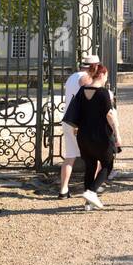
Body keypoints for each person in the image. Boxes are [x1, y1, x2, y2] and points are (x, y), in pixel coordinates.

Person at [64, 63, 119, 210]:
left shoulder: (82, 91)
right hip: (101, 135)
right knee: (108, 164)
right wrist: (117, 134)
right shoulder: (103, 93)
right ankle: (92, 192)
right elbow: (110, 115)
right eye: (106, 75)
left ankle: (88, 203)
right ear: (101, 75)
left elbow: (76, 113)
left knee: (90, 166)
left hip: (83, 135)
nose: (107, 78)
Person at [57, 53, 99, 198]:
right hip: (82, 122)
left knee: (70, 157)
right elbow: (89, 99)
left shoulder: (71, 77)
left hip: (69, 120)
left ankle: (63, 190)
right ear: (93, 67)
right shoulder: (85, 79)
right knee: (95, 155)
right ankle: (92, 188)